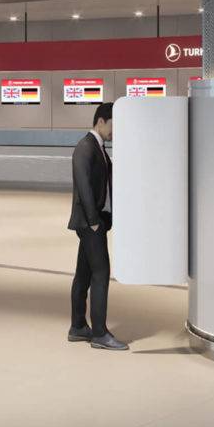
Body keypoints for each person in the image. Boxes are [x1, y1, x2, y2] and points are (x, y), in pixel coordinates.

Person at [68, 102, 127, 350]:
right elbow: (83, 186)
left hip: (95, 220)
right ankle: (100, 334)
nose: (115, 131)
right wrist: (93, 221)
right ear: (101, 121)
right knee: (101, 273)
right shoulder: (85, 147)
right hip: (89, 222)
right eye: (113, 125)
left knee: (84, 273)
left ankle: (79, 326)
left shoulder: (99, 148)